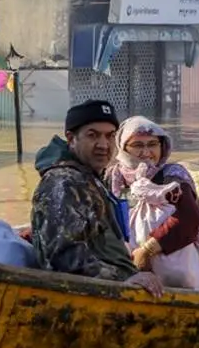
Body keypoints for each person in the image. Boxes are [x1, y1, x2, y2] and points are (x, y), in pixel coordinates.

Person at [30, 100, 164, 297]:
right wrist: (121, 279)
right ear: (71, 138)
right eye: (93, 135)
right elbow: (63, 255)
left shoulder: (90, 177)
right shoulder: (63, 183)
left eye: (110, 136)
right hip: (93, 296)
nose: (103, 145)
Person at [106, 116, 199, 289]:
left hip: (175, 275)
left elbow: (190, 218)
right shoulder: (112, 178)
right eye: (138, 145)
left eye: (152, 144)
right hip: (125, 265)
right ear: (123, 149)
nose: (146, 152)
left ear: (162, 146)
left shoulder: (172, 177)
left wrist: (147, 251)